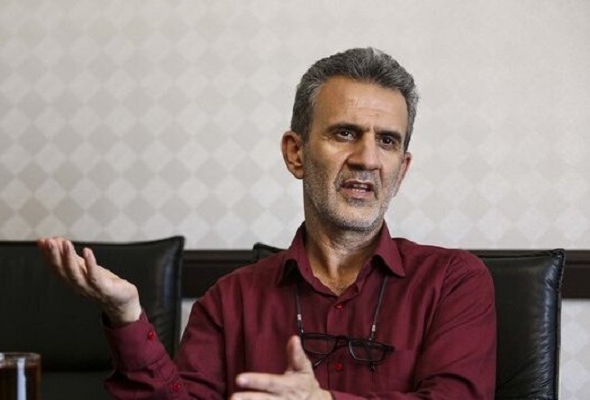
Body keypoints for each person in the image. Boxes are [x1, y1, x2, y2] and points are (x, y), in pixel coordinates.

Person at [38, 47, 496, 399]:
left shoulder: (454, 282)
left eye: (388, 141)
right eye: (345, 133)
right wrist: (126, 317)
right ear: (296, 153)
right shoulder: (228, 302)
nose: (367, 159)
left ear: (402, 169)